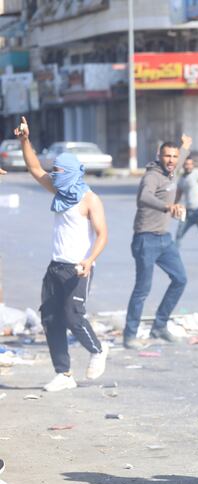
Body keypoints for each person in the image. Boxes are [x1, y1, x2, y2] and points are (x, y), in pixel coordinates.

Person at [15, 117, 109, 392]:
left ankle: (98, 350)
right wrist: (24, 140)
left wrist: (90, 260)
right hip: (55, 266)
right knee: (51, 318)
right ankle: (64, 374)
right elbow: (33, 167)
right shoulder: (59, 190)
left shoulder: (89, 199)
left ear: (70, 171)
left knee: (72, 315)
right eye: (53, 171)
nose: (53, 174)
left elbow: (103, 234)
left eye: (58, 170)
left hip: (79, 267)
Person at [123, 135, 192, 350]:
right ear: (158, 156)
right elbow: (143, 197)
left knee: (180, 279)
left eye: (174, 157)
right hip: (146, 239)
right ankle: (130, 335)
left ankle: (159, 326)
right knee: (143, 289)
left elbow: (180, 159)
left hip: (164, 238)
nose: (171, 160)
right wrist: (167, 207)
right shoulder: (152, 176)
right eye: (167, 156)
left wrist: (185, 147)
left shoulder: (171, 171)